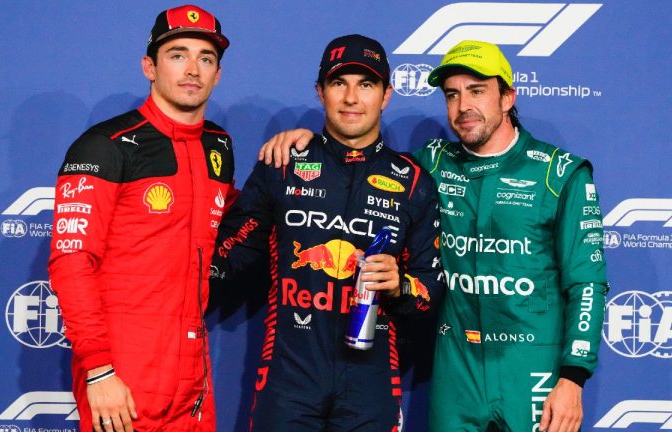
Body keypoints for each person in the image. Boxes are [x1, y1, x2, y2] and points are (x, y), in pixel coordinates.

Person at [258, 40, 609, 432]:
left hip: (531, 370)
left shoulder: (560, 174)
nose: (463, 107)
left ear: (508, 97)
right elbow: (360, 154)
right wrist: (308, 140)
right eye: (452, 95)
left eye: (477, 92)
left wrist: (573, 377)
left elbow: (588, 284)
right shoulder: (431, 164)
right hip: (455, 370)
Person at [211, 34, 441, 431]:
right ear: (320, 93)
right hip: (289, 378)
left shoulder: (414, 181)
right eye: (339, 83)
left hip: (370, 381)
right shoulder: (282, 163)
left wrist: (401, 285)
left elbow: (431, 292)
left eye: (366, 85)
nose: (352, 98)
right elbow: (227, 257)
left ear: (386, 95)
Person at [48, 5, 234, 431]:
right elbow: (72, 262)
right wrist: (98, 369)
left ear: (218, 73)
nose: (193, 69)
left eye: (206, 58)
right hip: (124, 367)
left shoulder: (219, 145)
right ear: (149, 66)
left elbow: (226, 214)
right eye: (177, 55)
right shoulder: (104, 146)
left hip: (194, 370)